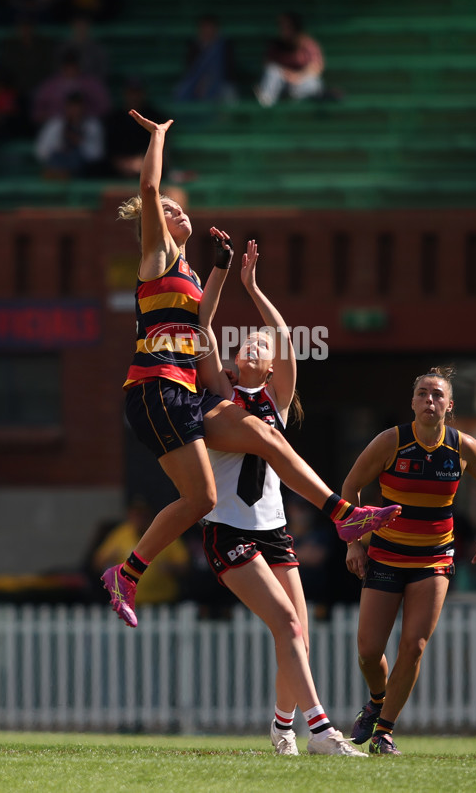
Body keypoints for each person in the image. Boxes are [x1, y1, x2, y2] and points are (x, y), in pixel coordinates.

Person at [100, 110, 401, 632]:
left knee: (263, 435)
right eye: (170, 210)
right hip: (155, 390)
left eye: (177, 207)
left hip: (185, 393)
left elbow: (203, 321)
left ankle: (342, 514)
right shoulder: (155, 258)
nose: (174, 210)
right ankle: (127, 573)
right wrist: (157, 138)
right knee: (203, 499)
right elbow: (149, 188)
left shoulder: (188, 272)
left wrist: (220, 268)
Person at [196, 236, 367, 757]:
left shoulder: (279, 402)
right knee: (289, 625)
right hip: (228, 528)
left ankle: (281, 729)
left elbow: (284, 334)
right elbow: (202, 326)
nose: (253, 344)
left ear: (270, 368)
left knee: (299, 638)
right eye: (246, 342)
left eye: (261, 347)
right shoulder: (222, 398)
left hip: (273, 529)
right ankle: (322, 734)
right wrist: (223, 275)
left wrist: (253, 286)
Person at [343, 366, 476, 755]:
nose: (429, 400)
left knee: (414, 646)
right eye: (422, 394)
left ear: (449, 405)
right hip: (384, 553)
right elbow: (351, 486)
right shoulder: (390, 442)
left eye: (436, 395)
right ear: (412, 402)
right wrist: (355, 542)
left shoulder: (462, 446)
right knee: (368, 651)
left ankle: (384, 732)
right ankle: (377, 699)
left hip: (433, 558)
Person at [254, 12, 325, 107]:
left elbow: (316, 68)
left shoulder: (308, 44)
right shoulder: (275, 45)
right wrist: (287, 75)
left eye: (287, 26)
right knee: (272, 71)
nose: (284, 30)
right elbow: (268, 65)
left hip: (300, 84)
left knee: (314, 83)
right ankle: (266, 104)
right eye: (281, 26)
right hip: (281, 84)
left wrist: (297, 77)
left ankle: (292, 98)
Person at [35, 90, 105, 179]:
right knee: (56, 162)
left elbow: (97, 154)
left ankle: (63, 175)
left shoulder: (93, 125)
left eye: (78, 106)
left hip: (83, 169)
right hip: (57, 164)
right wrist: (61, 148)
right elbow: (41, 151)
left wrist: (79, 142)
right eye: (72, 106)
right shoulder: (55, 124)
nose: (75, 110)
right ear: (66, 107)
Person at [174, 14, 238, 104]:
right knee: (181, 91)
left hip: (221, 83)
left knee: (229, 94)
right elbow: (191, 70)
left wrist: (211, 80)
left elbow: (228, 69)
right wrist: (201, 81)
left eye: (210, 28)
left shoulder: (225, 46)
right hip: (197, 82)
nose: (207, 31)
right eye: (205, 28)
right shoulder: (194, 46)